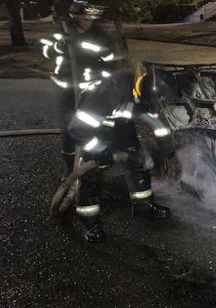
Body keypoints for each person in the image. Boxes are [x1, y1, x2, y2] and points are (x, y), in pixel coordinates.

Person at [66, 65, 172, 242]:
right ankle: (90, 222)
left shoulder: (144, 90)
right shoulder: (104, 95)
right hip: (93, 131)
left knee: (137, 158)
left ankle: (143, 205)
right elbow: (77, 130)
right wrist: (103, 152)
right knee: (90, 175)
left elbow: (156, 124)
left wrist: (168, 151)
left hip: (121, 123)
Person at [40, 0, 120, 178]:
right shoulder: (62, 30)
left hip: (91, 89)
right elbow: (45, 50)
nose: (89, 22)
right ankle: (70, 169)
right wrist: (59, 46)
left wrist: (105, 70)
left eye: (92, 19)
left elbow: (111, 61)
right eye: (85, 18)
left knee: (91, 125)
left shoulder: (99, 35)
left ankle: (93, 162)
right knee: (69, 128)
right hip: (67, 88)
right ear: (75, 16)